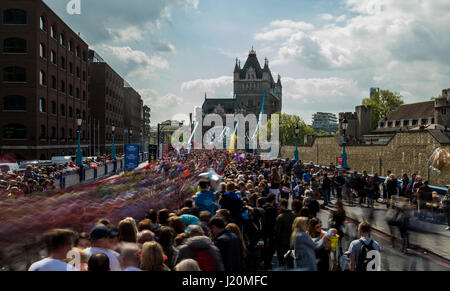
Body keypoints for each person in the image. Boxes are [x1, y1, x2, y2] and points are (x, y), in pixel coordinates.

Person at [274, 199, 296, 268]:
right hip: (291, 242)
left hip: (282, 242)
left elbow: (277, 231)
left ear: (283, 206)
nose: (278, 206)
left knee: (282, 261)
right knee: (290, 260)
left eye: (279, 205)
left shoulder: (280, 217)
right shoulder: (293, 216)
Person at [242, 207, 264, 271]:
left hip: (251, 248)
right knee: (255, 265)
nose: (249, 214)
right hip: (258, 246)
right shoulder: (260, 222)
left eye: (251, 214)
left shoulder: (248, 223)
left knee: (250, 265)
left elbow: (245, 234)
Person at [262, 194, 277, 270]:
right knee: (270, 249)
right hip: (270, 232)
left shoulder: (263, 207)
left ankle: (264, 263)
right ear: (273, 200)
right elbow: (274, 222)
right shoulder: (272, 209)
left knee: (264, 248)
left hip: (263, 231)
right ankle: (268, 264)